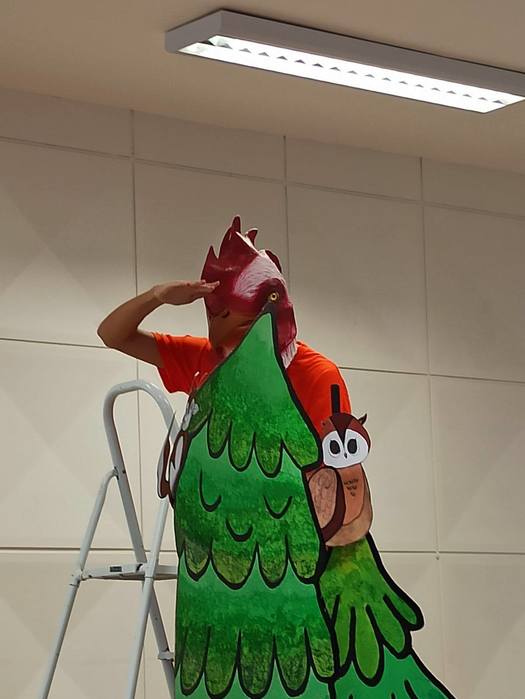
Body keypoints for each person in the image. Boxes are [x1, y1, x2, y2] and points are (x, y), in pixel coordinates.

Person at [97, 215, 351, 435]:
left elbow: (339, 465)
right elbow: (113, 335)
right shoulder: (204, 357)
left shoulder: (317, 375)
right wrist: (156, 296)